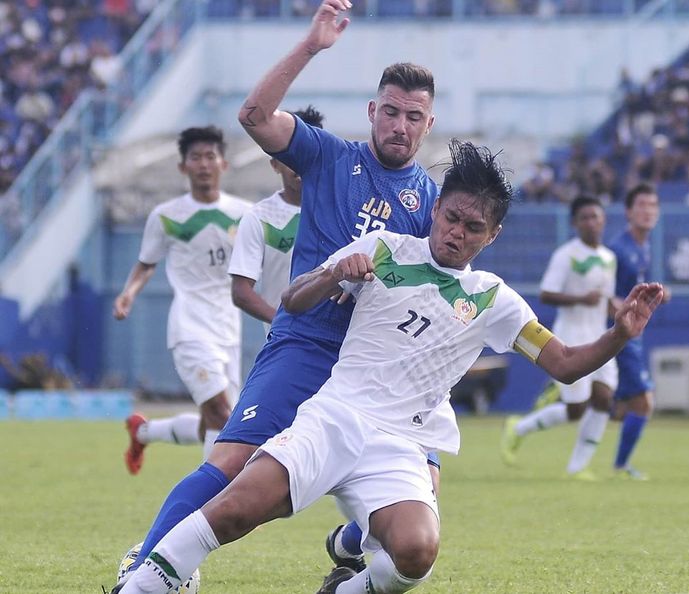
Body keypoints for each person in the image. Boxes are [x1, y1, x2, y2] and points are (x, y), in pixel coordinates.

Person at [117, 140, 664, 594]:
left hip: (400, 445)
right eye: (451, 217)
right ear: (435, 208)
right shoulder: (384, 248)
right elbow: (294, 300)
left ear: (491, 236)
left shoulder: (494, 299)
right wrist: (334, 275)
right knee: (238, 507)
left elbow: (565, 365)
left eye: (474, 227)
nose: (457, 232)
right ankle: (144, 584)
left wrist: (620, 332)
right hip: (335, 416)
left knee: (416, 551)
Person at [110, 1, 441, 587]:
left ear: (429, 124)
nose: (400, 126)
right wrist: (311, 46)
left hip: (375, 372)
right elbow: (255, 114)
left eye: (414, 117)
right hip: (307, 344)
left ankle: (351, 544)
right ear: (372, 111)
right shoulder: (330, 155)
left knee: (422, 509)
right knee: (233, 462)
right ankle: (149, 564)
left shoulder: (432, 204)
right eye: (390, 112)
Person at [113, 126, 252, 472]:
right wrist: (128, 294)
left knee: (219, 422)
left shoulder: (247, 214)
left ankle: (143, 432)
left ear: (224, 164)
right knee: (221, 413)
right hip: (190, 327)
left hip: (229, 328)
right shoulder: (166, 216)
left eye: (210, 157)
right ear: (183, 167)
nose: (203, 164)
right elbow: (146, 264)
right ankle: (213, 503)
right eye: (195, 158)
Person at [500, 196, 618, 479]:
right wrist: (580, 298)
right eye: (585, 217)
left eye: (596, 216)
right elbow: (546, 293)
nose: (591, 222)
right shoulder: (566, 255)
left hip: (600, 334)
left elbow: (604, 297)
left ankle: (579, 467)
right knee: (576, 408)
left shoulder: (608, 258)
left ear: (603, 220)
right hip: (571, 335)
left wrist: (615, 305)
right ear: (576, 223)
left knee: (604, 398)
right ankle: (518, 428)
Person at [229, 105, 325, 334]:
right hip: (287, 345)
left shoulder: (343, 208)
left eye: (308, 151)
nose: (299, 162)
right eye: (291, 154)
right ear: (275, 162)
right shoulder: (259, 218)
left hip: (339, 344)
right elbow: (241, 291)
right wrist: (283, 321)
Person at [608, 182, 670, 480]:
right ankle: (620, 467)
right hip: (620, 335)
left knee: (622, 405)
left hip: (631, 335)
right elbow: (605, 295)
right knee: (644, 402)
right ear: (628, 212)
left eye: (653, 206)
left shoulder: (641, 248)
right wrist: (626, 310)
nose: (648, 211)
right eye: (642, 205)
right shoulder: (618, 250)